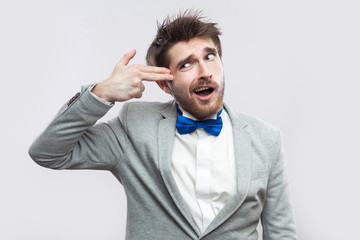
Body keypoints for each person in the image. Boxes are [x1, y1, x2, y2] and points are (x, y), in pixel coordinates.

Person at [29, 10, 297, 239]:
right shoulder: (135, 128)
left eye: (210, 56)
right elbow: (48, 153)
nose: (204, 71)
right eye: (186, 64)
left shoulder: (266, 138)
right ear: (164, 84)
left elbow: (281, 232)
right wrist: (101, 93)